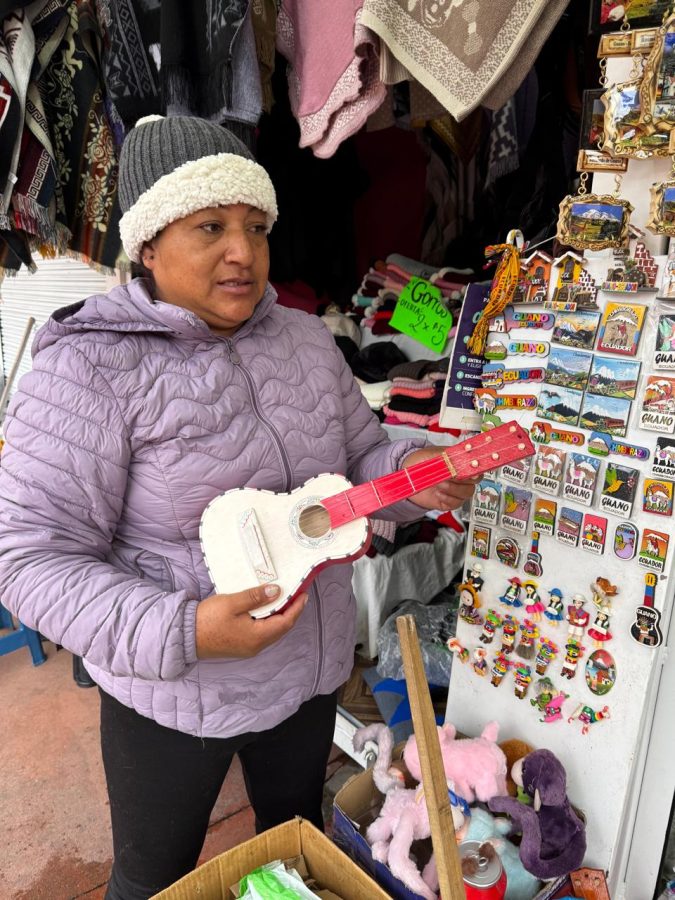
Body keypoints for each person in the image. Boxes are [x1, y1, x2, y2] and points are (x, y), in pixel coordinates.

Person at [0, 114, 475, 899]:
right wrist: (185, 630)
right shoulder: (85, 371)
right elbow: (28, 558)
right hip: (175, 696)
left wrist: (410, 473)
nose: (243, 253)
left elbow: (358, 458)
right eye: (210, 227)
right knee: (154, 879)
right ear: (148, 244)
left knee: (295, 848)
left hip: (307, 672)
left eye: (256, 227)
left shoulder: (303, 341)